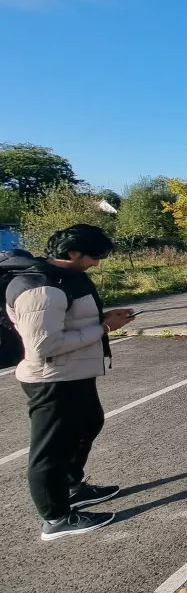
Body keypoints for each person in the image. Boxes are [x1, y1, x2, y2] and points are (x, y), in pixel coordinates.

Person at [2, 225, 134, 540]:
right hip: (52, 379)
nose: (97, 263)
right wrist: (104, 327)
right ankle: (56, 518)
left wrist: (107, 318)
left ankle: (73, 486)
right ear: (72, 253)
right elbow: (44, 347)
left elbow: (70, 320)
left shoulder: (65, 278)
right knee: (50, 450)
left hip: (74, 374)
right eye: (95, 256)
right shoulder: (40, 288)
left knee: (89, 424)